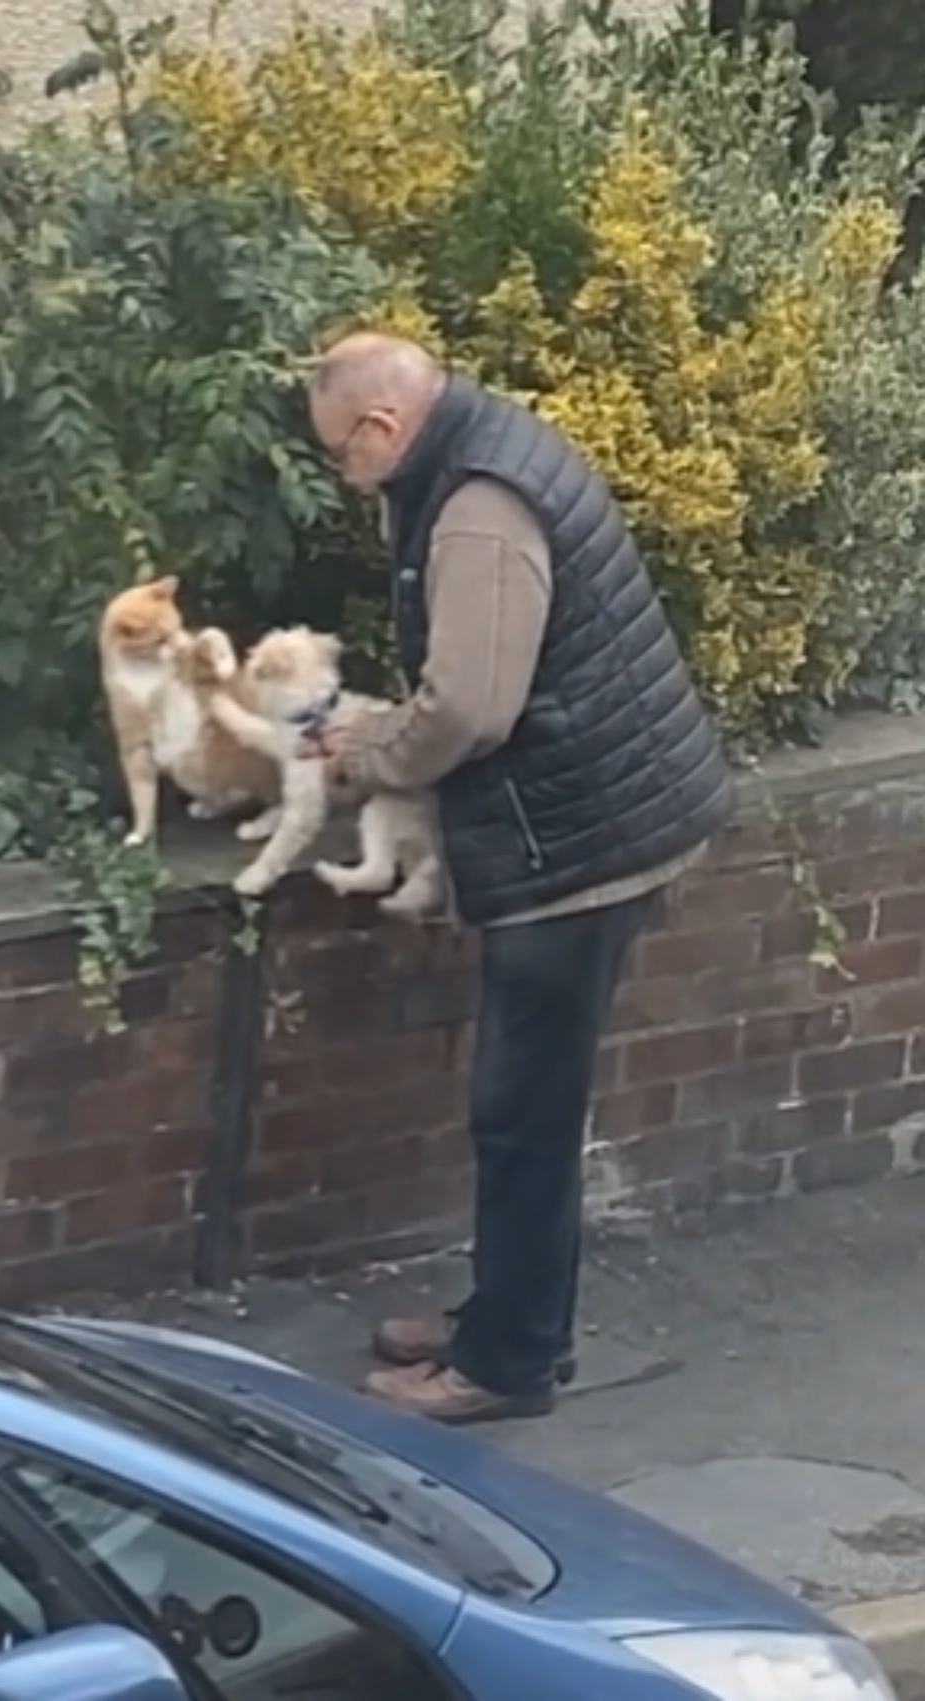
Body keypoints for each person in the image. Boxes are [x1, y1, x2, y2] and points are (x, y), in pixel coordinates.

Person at [305, 333, 734, 1424]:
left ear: (380, 428)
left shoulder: (479, 510)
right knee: (522, 1105)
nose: (342, 478)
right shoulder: (473, 457)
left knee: (522, 1111)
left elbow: (468, 711)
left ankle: (506, 1363)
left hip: (578, 846)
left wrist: (366, 754)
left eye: (338, 457)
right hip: (587, 820)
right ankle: (503, 1317)